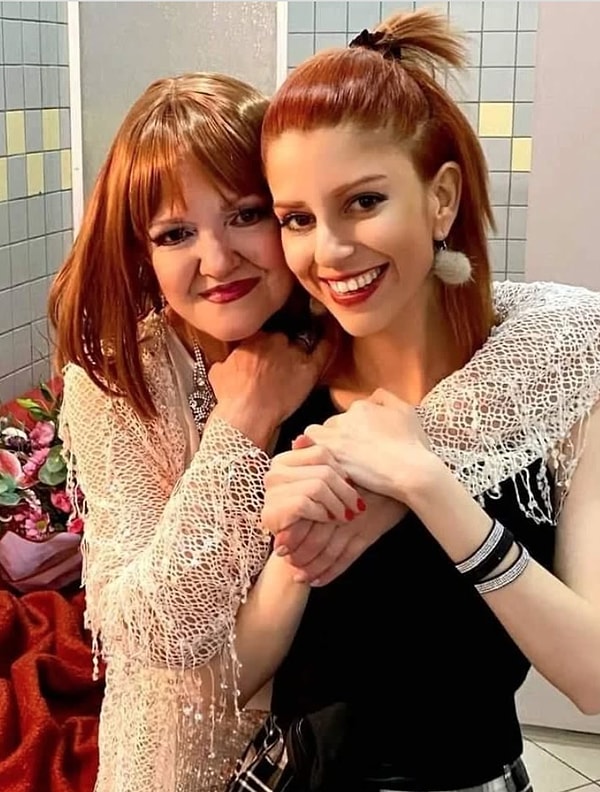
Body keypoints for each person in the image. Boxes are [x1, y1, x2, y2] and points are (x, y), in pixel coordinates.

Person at [230, 10, 600, 792]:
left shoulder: (551, 383)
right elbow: (228, 682)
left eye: (364, 202)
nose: (329, 251)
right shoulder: (277, 393)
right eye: (298, 219)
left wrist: (429, 483)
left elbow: (594, 678)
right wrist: (296, 555)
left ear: (442, 199)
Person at [47, 72, 386, 792]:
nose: (219, 260)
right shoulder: (117, 380)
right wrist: (244, 419)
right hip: (169, 769)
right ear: (142, 254)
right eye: (176, 234)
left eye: (245, 215)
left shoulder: (341, 332)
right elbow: (156, 631)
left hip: (326, 755)